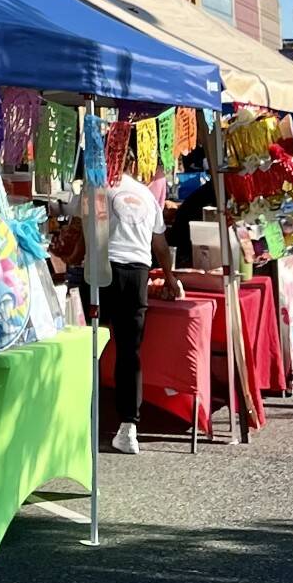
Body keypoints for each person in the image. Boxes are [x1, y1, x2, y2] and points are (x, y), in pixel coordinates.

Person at [103, 165, 183, 454]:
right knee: (129, 351)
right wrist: (170, 276)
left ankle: (83, 417)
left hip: (103, 269)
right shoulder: (147, 196)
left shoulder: (99, 185)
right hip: (138, 272)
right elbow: (160, 244)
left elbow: (79, 230)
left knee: (91, 346)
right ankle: (128, 428)